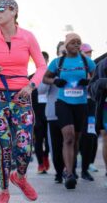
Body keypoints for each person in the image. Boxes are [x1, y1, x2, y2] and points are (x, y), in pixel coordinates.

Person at [0, 0, 46, 203]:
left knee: (24, 147)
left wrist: (31, 86)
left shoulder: (27, 37)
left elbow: (42, 66)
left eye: (0, 9)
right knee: (5, 144)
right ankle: (4, 190)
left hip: (21, 95)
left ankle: (20, 177)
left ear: (13, 11)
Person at [43, 33, 96, 189]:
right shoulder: (58, 62)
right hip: (63, 103)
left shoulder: (87, 62)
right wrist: (55, 80)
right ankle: (70, 173)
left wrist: (88, 81)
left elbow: (96, 76)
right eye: (73, 42)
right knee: (68, 136)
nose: (76, 45)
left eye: (79, 42)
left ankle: (70, 168)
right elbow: (45, 78)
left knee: (76, 139)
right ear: (66, 45)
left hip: (81, 104)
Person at [38, 42, 66, 183]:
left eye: (66, 51)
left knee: (70, 142)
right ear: (57, 54)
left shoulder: (76, 68)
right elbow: (41, 90)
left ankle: (69, 170)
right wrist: (52, 78)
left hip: (72, 113)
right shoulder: (52, 68)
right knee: (55, 145)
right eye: (62, 52)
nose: (64, 54)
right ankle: (59, 172)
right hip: (53, 113)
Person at [79, 43, 99, 175]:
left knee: (92, 134)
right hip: (78, 104)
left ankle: (89, 163)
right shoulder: (77, 66)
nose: (89, 55)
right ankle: (78, 160)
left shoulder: (94, 66)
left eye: (90, 52)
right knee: (79, 134)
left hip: (92, 104)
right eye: (87, 53)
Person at [88, 52, 107, 187]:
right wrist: (100, 84)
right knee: (106, 137)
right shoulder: (101, 64)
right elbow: (91, 89)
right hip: (105, 107)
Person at [31, 52, 50, 174]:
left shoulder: (52, 77)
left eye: (44, 60)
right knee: (38, 141)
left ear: (47, 61)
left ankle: (46, 156)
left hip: (50, 113)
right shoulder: (31, 78)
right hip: (37, 114)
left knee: (49, 142)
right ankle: (40, 164)